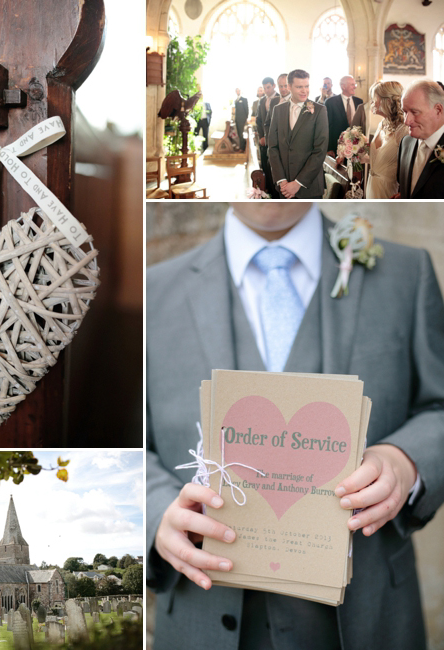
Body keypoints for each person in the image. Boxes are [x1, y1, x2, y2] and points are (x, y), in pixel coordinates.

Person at [147, 202, 444, 650]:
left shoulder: (407, 272)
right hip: (203, 616)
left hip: (368, 617)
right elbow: (123, 441)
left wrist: (405, 460)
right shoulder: (155, 291)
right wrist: (156, 512)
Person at [268, 69, 328, 199]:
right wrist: (281, 180)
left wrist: (298, 183)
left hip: (309, 188)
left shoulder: (319, 110)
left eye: (306, 86)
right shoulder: (278, 110)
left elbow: (320, 150)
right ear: (289, 87)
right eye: (299, 87)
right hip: (284, 188)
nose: (304, 91)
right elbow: (272, 147)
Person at [396, 79, 444, 199]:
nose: (407, 121)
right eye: (405, 112)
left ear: (438, 110)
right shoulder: (406, 143)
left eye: (414, 112)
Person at [361, 81, 407, 199]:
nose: (372, 102)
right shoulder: (382, 124)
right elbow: (379, 161)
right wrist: (357, 152)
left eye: (374, 98)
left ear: (387, 101)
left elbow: (409, 167)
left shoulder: (403, 130)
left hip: (388, 190)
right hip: (372, 185)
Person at [325, 76, 363, 155]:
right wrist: (329, 148)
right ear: (343, 86)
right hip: (337, 147)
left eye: (355, 84)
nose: (355, 87)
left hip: (355, 147)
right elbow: (327, 126)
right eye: (352, 85)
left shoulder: (359, 101)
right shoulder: (331, 102)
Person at [256, 77, 278, 197]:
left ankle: (276, 192)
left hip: (276, 138)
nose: (266, 90)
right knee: (266, 165)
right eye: (264, 88)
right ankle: (268, 188)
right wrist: (262, 136)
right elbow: (259, 120)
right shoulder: (262, 100)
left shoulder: (280, 98)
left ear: (274, 86)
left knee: (275, 166)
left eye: (268, 87)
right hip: (265, 139)